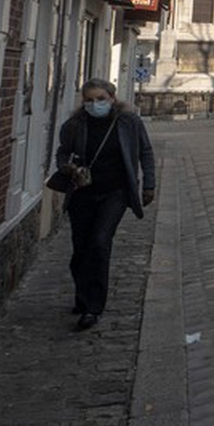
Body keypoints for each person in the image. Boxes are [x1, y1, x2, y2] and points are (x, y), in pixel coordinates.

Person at [53, 80, 156, 330]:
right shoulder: (74, 125)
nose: (94, 104)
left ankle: (93, 307)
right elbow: (61, 154)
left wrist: (148, 184)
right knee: (81, 248)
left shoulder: (129, 122)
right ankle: (83, 294)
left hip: (115, 192)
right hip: (83, 193)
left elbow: (145, 151)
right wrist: (69, 166)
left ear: (111, 98)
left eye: (100, 99)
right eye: (88, 100)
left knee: (100, 242)